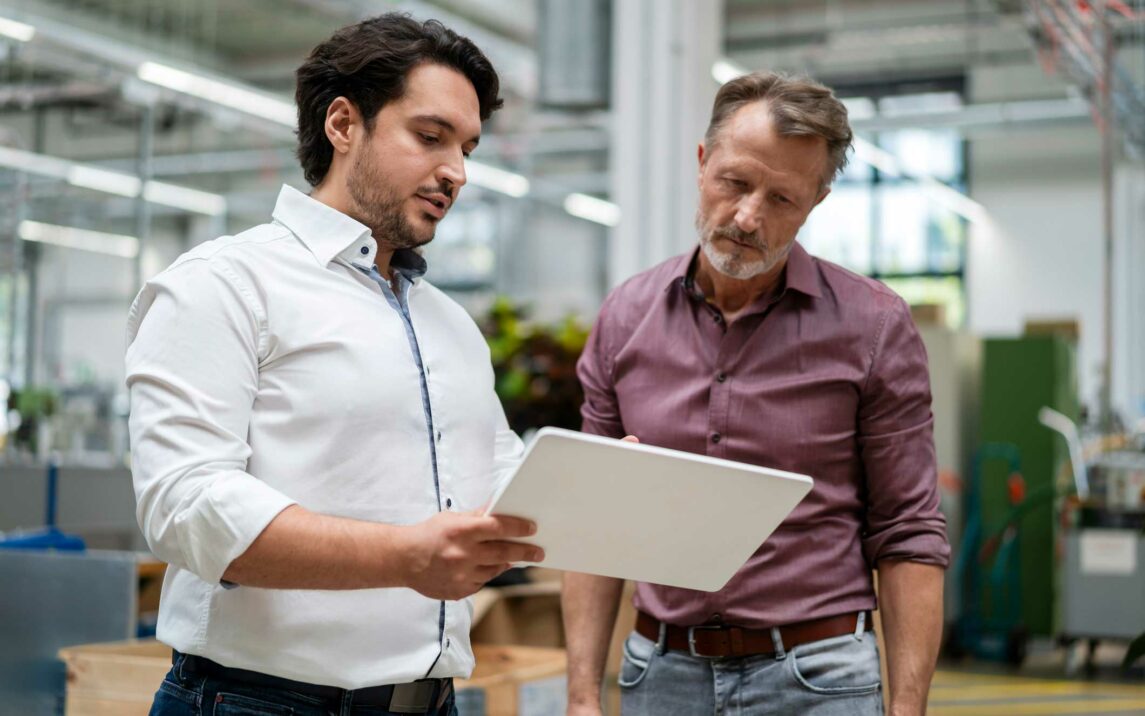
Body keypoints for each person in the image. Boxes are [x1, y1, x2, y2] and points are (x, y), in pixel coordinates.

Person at [126, 14, 543, 716]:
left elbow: (493, 477)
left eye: (467, 148)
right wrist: (403, 557)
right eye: (430, 136)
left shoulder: (449, 324)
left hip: (431, 702)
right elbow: (186, 506)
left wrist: (596, 487)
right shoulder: (225, 284)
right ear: (344, 124)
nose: (457, 172)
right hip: (256, 702)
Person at [563, 72, 950, 716]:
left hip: (817, 678)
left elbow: (908, 531)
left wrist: (907, 709)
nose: (748, 217)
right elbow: (593, 522)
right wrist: (581, 695)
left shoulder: (873, 325)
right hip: (660, 676)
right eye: (735, 183)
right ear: (702, 161)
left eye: (782, 200)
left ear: (817, 202)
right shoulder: (626, 316)